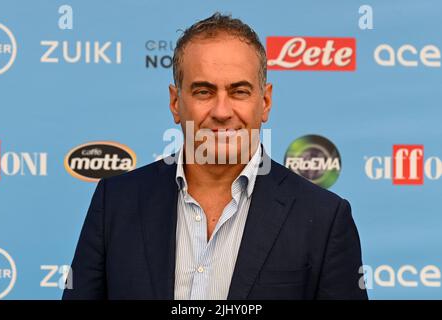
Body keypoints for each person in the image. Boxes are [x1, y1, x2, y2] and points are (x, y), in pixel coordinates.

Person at [62, 12, 368, 300]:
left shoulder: (324, 219)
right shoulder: (116, 202)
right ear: (175, 103)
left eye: (239, 91)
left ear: (265, 102)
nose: (222, 112)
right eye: (203, 92)